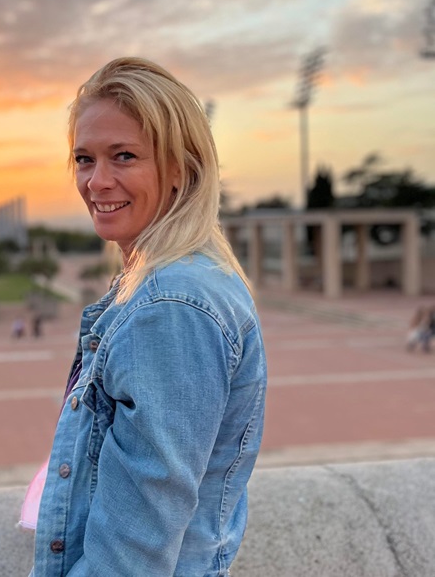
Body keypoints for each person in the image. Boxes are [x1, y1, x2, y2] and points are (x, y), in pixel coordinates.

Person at [26, 58, 267, 577]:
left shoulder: (170, 306)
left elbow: (134, 551)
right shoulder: (181, 277)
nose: (97, 181)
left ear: (181, 167)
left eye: (125, 156)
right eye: (84, 159)